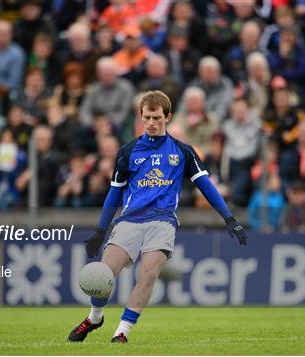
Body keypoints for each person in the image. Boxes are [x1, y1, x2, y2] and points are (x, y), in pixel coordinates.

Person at [68, 91, 248, 343]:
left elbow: (206, 185)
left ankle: (122, 332)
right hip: (130, 219)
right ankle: (95, 318)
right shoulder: (127, 152)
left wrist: (229, 219)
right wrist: (100, 230)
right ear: (140, 117)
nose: (151, 123)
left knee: (149, 274)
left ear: (168, 117)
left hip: (163, 221)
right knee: (104, 274)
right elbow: (114, 193)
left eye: (156, 117)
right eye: (147, 117)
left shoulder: (183, 152)